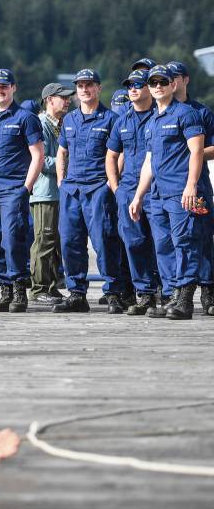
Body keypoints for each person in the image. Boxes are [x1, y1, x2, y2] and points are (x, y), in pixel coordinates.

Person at [129, 65, 209, 320]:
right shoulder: (152, 122)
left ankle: (185, 298)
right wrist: (139, 195)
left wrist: (191, 185)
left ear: (173, 85)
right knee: (163, 245)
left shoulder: (187, 114)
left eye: (163, 81)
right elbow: (149, 161)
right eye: (153, 83)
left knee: (184, 242)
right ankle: (173, 294)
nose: (158, 86)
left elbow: (197, 151)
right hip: (157, 194)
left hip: (180, 191)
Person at [53, 69, 128, 313]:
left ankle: (114, 292)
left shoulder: (111, 119)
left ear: (99, 88)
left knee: (105, 241)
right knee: (70, 242)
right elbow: (62, 151)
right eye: (80, 86)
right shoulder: (70, 119)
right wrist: (61, 181)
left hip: (98, 188)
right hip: (72, 189)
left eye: (89, 85)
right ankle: (76, 293)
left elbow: (119, 154)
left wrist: (110, 182)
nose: (84, 89)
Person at [0, 69, 44, 313]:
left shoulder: (26, 118)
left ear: (13, 88)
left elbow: (38, 155)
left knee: (13, 239)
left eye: (4, 86)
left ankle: (19, 289)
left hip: (13, 188)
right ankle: (5, 288)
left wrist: (26, 187)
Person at [106, 68, 160, 315]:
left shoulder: (159, 116)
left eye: (138, 85)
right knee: (134, 243)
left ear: (149, 88)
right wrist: (116, 188)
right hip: (128, 189)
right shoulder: (122, 120)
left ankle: (169, 293)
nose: (133, 89)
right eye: (130, 86)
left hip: (157, 189)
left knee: (162, 242)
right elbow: (112, 156)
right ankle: (145, 295)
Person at [166, 60, 214, 317]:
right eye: (166, 77)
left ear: (186, 80)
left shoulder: (201, 112)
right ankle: (177, 290)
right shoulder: (160, 112)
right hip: (168, 187)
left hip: (198, 187)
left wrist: (190, 152)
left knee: (202, 238)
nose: (170, 82)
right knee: (173, 241)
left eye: (175, 77)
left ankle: (208, 290)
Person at [29, 83, 73, 304]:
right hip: (44, 192)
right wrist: (69, 163)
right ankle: (39, 289)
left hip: (59, 191)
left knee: (56, 242)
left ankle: (53, 286)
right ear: (48, 100)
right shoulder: (40, 124)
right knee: (44, 240)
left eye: (68, 98)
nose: (67, 101)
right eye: (62, 97)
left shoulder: (61, 123)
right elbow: (41, 160)